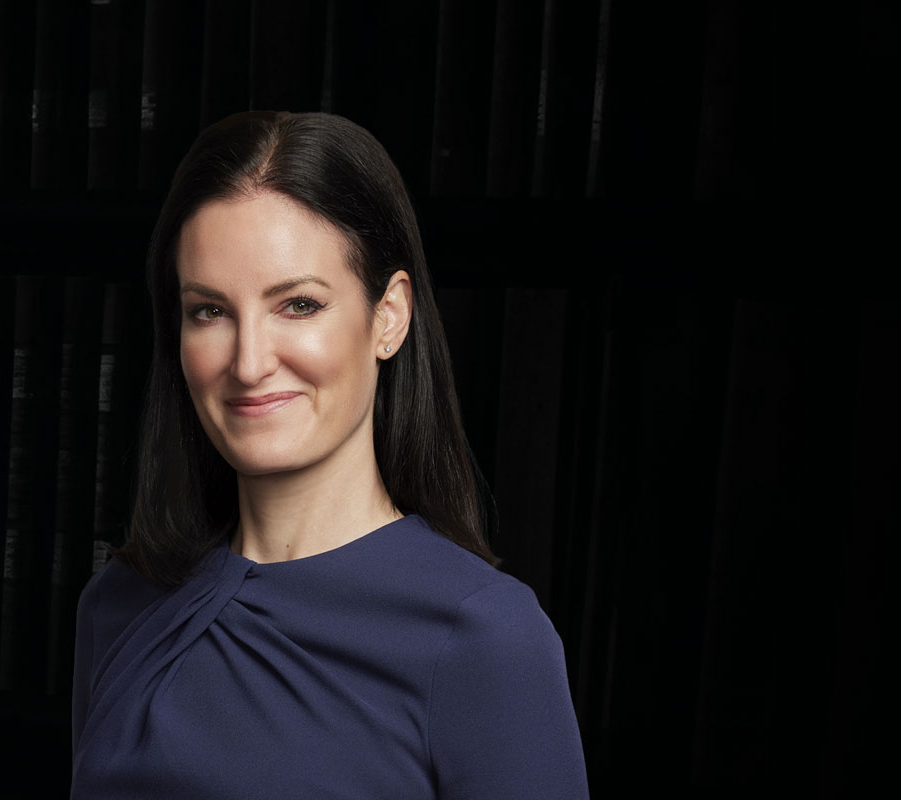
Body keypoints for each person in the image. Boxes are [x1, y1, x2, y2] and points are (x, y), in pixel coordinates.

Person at [69, 111, 589, 798]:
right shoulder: (118, 603)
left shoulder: (485, 638)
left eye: (299, 305)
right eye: (210, 311)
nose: (249, 363)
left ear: (389, 316)